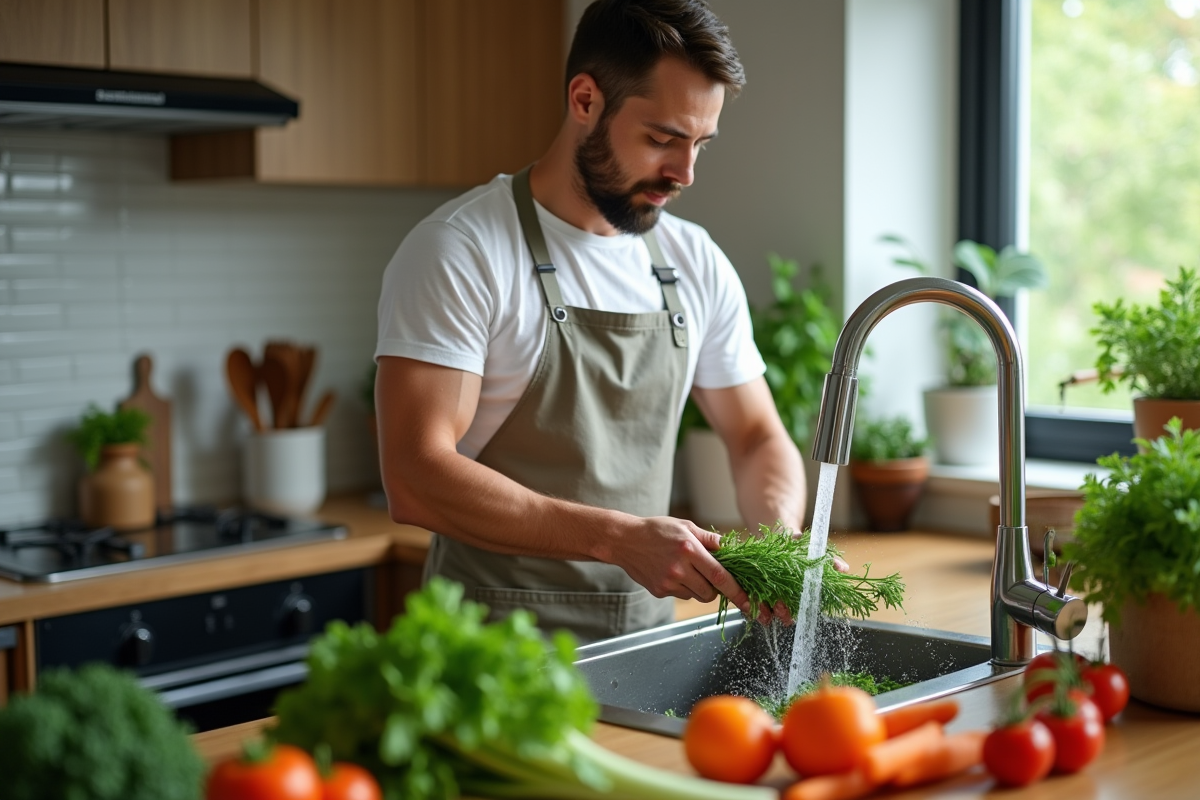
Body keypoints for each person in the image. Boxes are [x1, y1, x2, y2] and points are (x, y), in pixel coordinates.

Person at [375, 0, 822, 644]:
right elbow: (415, 476)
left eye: (700, 144)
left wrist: (775, 548)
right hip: (486, 651)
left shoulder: (692, 261)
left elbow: (756, 438)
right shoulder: (463, 249)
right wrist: (617, 537)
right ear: (585, 100)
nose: (685, 173)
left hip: (640, 639)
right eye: (662, 139)